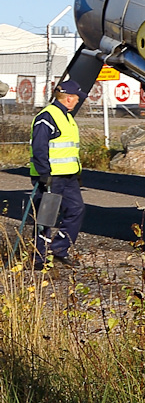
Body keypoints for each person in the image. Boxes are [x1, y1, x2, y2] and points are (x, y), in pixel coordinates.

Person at [30, 80, 86, 267]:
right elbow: (39, 148)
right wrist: (44, 174)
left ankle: (59, 248)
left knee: (76, 210)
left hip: (68, 176)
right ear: (69, 98)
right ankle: (39, 257)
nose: (78, 101)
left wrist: (76, 173)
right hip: (51, 177)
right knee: (46, 216)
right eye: (77, 97)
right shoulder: (47, 117)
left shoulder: (67, 116)